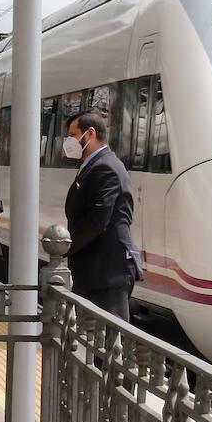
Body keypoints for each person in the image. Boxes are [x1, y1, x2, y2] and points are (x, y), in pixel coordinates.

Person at [62, 109, 142, 320]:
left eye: (72, 135)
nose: (68, 141)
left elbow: (98, 220)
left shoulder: (105, 167)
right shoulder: (94, 165)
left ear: (89, 134)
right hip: (98, 269)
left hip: (108, 270)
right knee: (99, 342)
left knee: (108, 342)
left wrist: (65, 248)